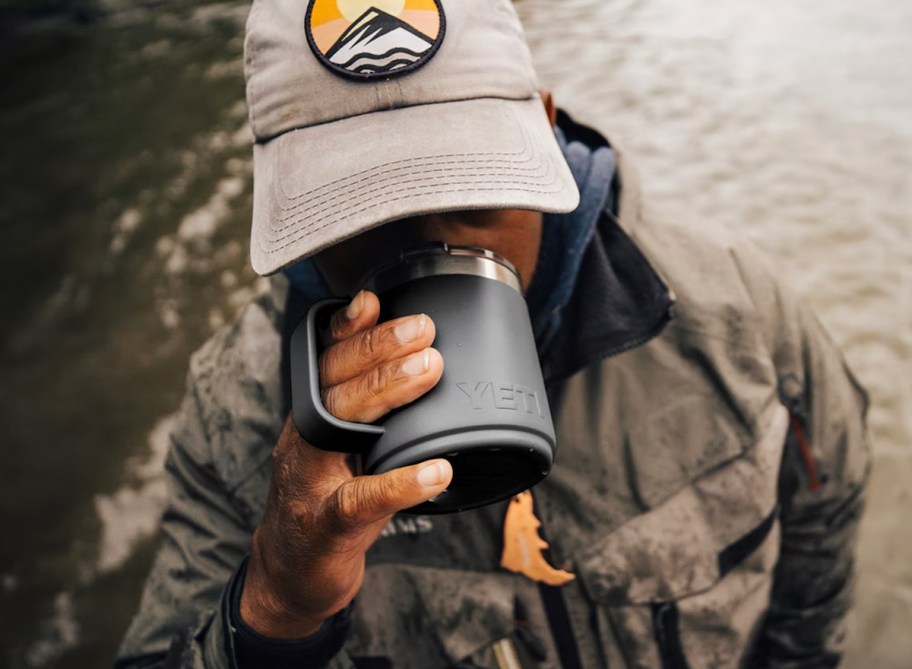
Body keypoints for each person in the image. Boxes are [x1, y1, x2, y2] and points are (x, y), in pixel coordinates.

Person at [117, 0, 871, 667]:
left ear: (542, 128)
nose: (430, 246)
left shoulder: (730, 310)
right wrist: (275, 610)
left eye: (471, 189)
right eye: (360, 215)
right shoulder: (238, 413)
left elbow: (826, 514)